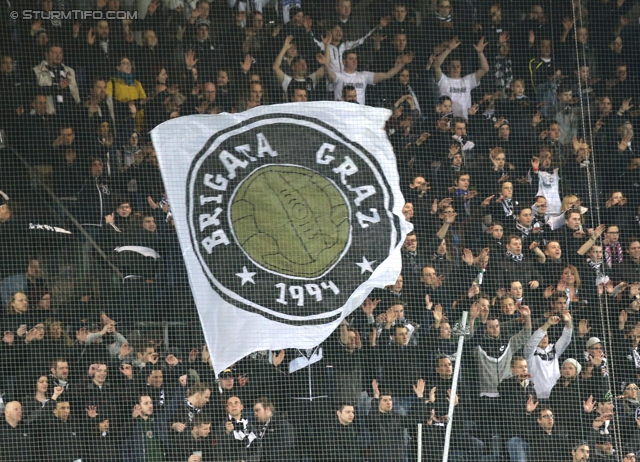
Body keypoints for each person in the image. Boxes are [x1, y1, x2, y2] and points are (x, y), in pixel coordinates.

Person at [432, 36, 490, 119]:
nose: (455, 69)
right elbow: (435, 66)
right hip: (447, 120)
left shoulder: (467, 80)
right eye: (453, 66)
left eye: (458, 66)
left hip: (464, 122)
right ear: (448, 68)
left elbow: (485, 69)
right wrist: (448, 49)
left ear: (461, 68)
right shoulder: (444, 80)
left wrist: (480, 53)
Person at [252, 397, 296, 462]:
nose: (255, 414)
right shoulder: (257, 425)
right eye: (254, 411)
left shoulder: (282, 424)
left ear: (267, 409)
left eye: (257, 410)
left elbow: (283, 449)